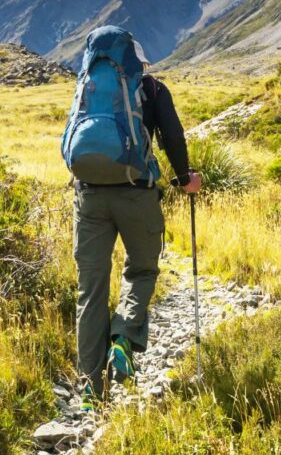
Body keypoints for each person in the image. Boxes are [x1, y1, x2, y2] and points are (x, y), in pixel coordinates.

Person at [70, 38, 201, 411]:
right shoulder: (153, 88)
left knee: (90, 290)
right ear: (139, 62)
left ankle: (90, 390)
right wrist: (183, 177)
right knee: (141, 270)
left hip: (89, 197)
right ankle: (123, 340)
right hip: (136, 193)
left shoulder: (88, 86)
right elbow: (172, 136)